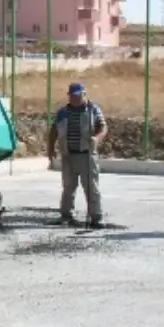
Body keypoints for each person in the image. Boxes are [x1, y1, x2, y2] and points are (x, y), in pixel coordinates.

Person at [47, 82, 107, 228]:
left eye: (77, 96)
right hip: (68, 155)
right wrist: (50, 148)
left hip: (86, 155)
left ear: (84, 94)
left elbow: (103, 126)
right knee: (68, 187)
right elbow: (54, 130)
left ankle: (96, 217)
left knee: (91, 187)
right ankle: (66, 215)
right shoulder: (63, 112)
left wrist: (97, 138)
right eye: (72, 96)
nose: (74, 99)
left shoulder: (93, 109)